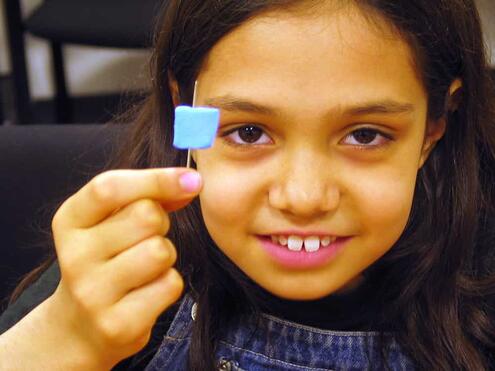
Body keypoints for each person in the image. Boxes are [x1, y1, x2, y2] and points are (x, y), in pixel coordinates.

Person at [1, 0, 494, 370]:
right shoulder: (128, 263)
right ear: (185, 111)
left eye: (365, 135)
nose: (303, 199)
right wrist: (60, 339)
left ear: (433, 128)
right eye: (249, 133)